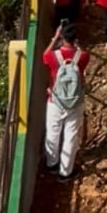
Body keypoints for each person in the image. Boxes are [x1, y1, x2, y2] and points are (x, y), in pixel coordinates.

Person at [42, 22, 89, 180]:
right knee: (70, 136)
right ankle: (65, 172)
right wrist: (77, 44)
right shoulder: (82, 57)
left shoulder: (53, 56)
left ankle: (51, 164)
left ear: (62, 36)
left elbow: (44, 55)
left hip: (55, 101)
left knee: (53, 132)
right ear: (75, 38)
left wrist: (55, 38)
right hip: (75, 103)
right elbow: (84, 53)